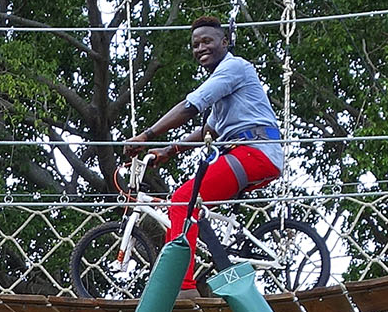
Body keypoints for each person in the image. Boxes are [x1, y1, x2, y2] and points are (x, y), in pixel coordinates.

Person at [121, 18, 286, 289]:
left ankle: (181, 285)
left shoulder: (233, 68)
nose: (200, 48)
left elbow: (191, 106)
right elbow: (209, 131)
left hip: (253, 152)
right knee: (189, 204)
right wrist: (168, 151)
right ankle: (210, 265)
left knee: (183, 199)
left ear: (225, 42)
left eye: (207, 41)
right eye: (195, 44)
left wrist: (147, 136)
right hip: (244, 153)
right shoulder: (224, 85)